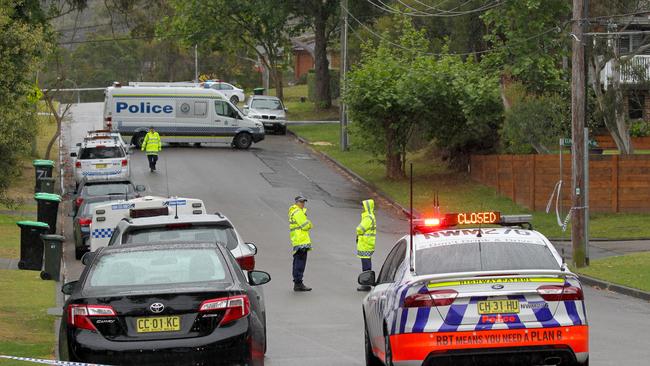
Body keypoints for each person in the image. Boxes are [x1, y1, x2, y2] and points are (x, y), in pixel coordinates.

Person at [288, 196, 313, 292]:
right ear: (297, 202)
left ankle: (297, 282)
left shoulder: (295, 211)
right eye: (301, 202)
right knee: (300, 263)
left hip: (298, 240)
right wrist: (310, 223)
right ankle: (298, 283)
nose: (303, 204)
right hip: (301, 241)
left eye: (304, 202)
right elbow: (306, 225)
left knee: (297, 261)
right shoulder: (298, 212)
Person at [356, 199, 376, 292]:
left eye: (364, 206)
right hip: (367, 243)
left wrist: (358, 229)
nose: (363, 208)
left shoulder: (368, 217)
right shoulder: (370, 216)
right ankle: (366, 282)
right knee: (366, 263)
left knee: (366, 265)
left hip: (366, 243)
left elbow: (360, 229)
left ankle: (366, 283)